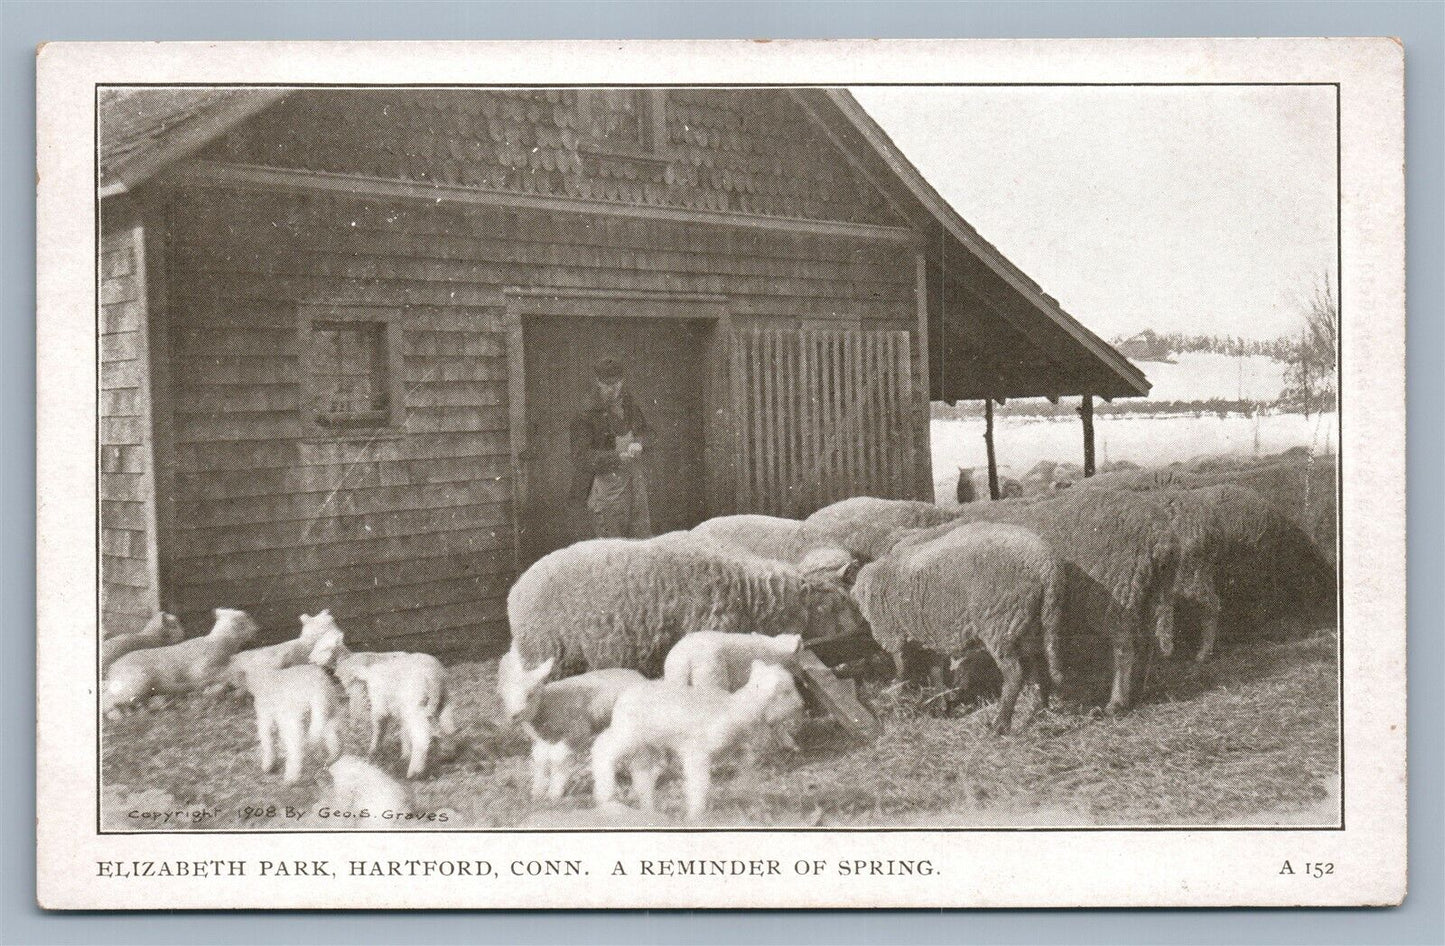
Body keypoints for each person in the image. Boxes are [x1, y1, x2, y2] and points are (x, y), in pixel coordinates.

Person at [570, 357, 652, 539]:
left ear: (622, 381)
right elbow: (581, 457)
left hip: (634, 486)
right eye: (608, 385)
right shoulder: (585, 414)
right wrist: (617, 457)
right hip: (605, 490)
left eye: (617, 384)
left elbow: (647, 432)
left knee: (641, 541)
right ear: (598, 382)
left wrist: (639, 442)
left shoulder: (629, 405)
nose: (613, 390)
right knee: (612, 547)